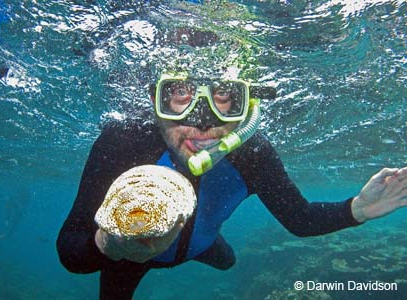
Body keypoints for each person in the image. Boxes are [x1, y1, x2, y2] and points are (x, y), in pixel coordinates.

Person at [56, 26, 407, 300]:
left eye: (224, 96)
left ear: (247, 106)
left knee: (228, 262)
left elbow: (301, 219)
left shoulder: (254, 155)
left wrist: (358, 208)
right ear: (154, 100)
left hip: (203, 245)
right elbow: (71, 250)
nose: (203, 123)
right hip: (132, 255)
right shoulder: (124, 141)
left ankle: (202, 247)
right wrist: (111, 246)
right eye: (180, 94)